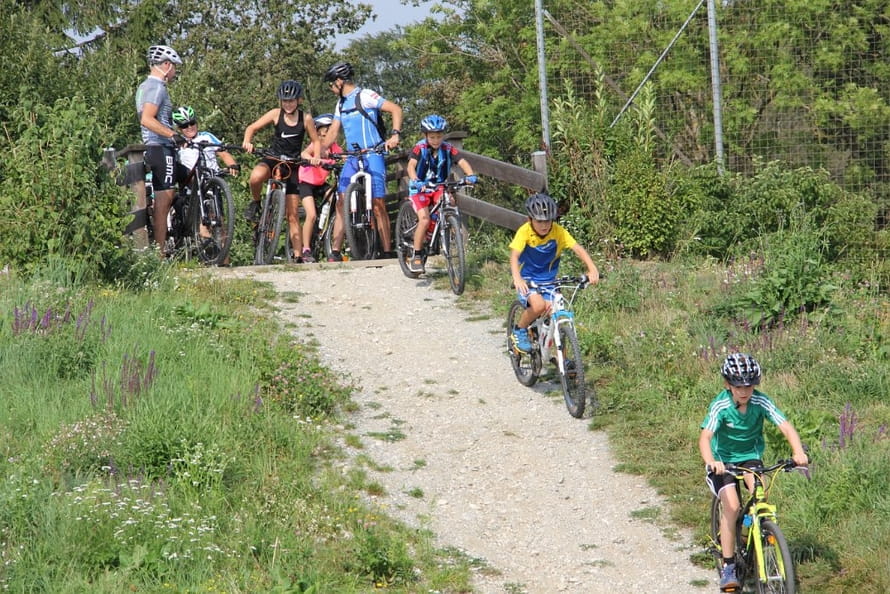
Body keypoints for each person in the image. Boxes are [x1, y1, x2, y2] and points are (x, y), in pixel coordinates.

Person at [698, 353, 809, 592]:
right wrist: (711, 461)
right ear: (728, 385)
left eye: (749, 385)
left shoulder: (761, 402)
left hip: (750, 458)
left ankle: (755, 533)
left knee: (761, 498)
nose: (744, 390)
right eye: (738, 386)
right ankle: (728, 565)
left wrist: (798, 452)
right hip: (724, 461)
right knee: (733, 506)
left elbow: (785, 425)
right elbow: (705, 436)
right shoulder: (721, 405)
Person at [320, 62, 403, 261]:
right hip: (352, 156)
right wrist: (321, 152)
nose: (331, 88)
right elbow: (333, 131)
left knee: (378, 203)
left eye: (332, 84)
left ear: (340, 81)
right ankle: (336, 251)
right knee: (341, 201)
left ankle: (387, 250)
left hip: (373, 153)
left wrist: (395, 135)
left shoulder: (365, 95)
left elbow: (395, 109)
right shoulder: (340, 104)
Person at [509, 193, 600, 352]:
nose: (544, 225)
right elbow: (514, 256)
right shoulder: (524, 231)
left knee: (558, 314)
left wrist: (592, 269)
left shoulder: (558, 232)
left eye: (548, 221)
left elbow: (577, 248)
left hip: (550, 280)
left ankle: (563, 361)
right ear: (530, 219)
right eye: (539, 221)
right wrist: (517, 278)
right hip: (528, 278)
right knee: (538, 306)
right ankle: (519, 330)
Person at [242, 80, 320, 250]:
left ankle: (298, 255)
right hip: (273, 158)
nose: (288, 104)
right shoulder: (276, 114)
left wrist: (317, 157)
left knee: (292, 215)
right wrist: (247, 141)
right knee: (255, 177)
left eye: (291, 100)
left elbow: (316, 141)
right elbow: (251, 128)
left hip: (292, 165)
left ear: (299, 100)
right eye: (285, 101)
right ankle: (256, 203)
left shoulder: (305, 118)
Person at [405, 114, 477, 273]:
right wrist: (416, 180)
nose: (436, 140)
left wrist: (470, 175)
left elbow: (462, 161)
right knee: (424, 219)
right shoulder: (419, 148)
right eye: (432, 137)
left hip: (439, 186)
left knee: (450, 201)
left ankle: (450, 232)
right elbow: (411, 166)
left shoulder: (448, 148)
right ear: (425, 136)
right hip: (420, 188)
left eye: (439, 136)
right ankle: (416, 255)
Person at [135, 44, 183, 256]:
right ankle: (160, 253)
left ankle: (160, 247)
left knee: (163, 199)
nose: (175, 72)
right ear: (166, 65)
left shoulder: (144, 86)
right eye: (174, 67)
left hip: (152, 149)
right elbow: (147, 119)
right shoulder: (157, 87)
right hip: (161, 148)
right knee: (164, 201)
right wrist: (172, 134)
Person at [294, 113, 343, 263]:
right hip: (306, 183)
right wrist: (313, 159)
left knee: (336, 197)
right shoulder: (317, 145)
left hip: (321, 184)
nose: (330, 134)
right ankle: (306, 249)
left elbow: (344, 157)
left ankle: (325, 226)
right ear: (320, 131)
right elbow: (303, 153)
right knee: (311, 215)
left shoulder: (335, 147)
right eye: (327, 130)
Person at [171, 106, 239, 182]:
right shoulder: (178, 142)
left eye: (192, 123)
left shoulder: (207, 136)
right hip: (190, 181)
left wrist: (232, 165)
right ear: (179, 128)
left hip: (212, 178)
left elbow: (223, 153)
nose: (190, 127)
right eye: (185, 126)